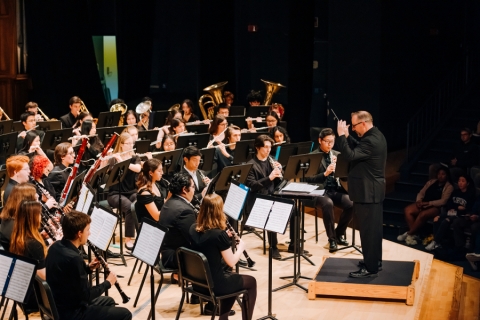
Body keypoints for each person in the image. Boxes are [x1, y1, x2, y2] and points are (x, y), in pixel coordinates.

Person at [46, 211, 132, 320]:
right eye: (88, 230)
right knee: (125, 314)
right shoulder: (74, 258)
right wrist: (108, 283)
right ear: (79, 233)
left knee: (109, 301)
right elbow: (86, 296)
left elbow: (69, 277)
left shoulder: (56, 246)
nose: (89, 233)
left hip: (60, 304)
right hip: (72, 313)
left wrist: (88, 268)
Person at [336, 110, 387, 278]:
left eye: (354, 125)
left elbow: (350, 155)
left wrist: (342, 136)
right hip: (372, 191)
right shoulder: (375, 135)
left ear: (363, 123)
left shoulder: (371, 140)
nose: (354, 129)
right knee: (373, 230)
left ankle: (370, 267)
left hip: (368, 193)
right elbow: (359, 148)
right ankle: (374, 261)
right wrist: (348, 135)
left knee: (368, 231)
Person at [190, 194, 257, 320]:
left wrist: (224, 238)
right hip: (214, 285)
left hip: (198, 284)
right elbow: (231, 262)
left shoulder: (193, 229)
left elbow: (208, 244)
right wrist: (241, 247)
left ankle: (223, 317)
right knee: (251, 282)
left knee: (232, 278)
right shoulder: (218, 235)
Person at [245, 135, 294, 259]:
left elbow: (279, 182)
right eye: (265, 147)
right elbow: (252, 186)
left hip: (272, 195)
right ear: (257, 147)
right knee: (272, 212)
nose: (268, 150)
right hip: (258, 199)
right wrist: (270, 178)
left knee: (294, 209)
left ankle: (294, 244)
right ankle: (273, 247)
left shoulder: (271, 160)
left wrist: (280, 171)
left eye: (270, 147)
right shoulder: (250, 165)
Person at [305, 128, 353, 252]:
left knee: (351, 204)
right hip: (319, 191)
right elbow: (309, 180)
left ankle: (338, 234)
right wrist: (325, 174)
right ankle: (331, 239)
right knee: (328, 204)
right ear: (320, 140)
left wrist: (339, 169)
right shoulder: (312, 156)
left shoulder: (336, 155)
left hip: (334, 190)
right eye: (327, 141)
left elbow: (344, 177)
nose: (330, 145)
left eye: (332, 142)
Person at [398, 167, 454, 245]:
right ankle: (414, 234)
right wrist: (419, 201)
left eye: (443, 174)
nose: (440, 176)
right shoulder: (431, 182)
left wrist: (428, 203)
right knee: (408, 210)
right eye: (439, 174)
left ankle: (409, 233)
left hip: (436, 207)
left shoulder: (449, 187)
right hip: (423, 203)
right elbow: (421, 192)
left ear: (447, 175)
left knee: (422, 214)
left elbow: (443, 201)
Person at [106, 132, 143, 249]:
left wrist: (122, 160)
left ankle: (142, 236)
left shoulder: (135, 158)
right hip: (115, 193)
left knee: (141, 201)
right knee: (129, 207)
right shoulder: (114, 158)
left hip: (131, 191)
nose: (131, 146)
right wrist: (107, 158)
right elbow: (106, 174)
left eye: (132, 143)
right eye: (128, 144)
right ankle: (128, 239)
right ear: (121, 145)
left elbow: (137, 169)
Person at [10, 200, 48, 310]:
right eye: (39, 214)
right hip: (36, 298)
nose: (41, 217)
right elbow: (44, 277)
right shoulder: (34, 244)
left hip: (23, 293)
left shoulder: (18, 237)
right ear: (33, 218)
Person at [426, 174, 476, 251]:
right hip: (451, 212)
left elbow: (467, 209)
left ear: (468, 183)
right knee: (436, 219)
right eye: (459, 181)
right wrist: (457, 207)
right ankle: (438, 243)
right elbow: (449, 204)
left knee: (446, 221)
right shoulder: (455, 192)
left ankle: (435, 242)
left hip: (461, 215)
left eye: (463, 181)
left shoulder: (471, 194)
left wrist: (458, 209)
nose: (460, 183)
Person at [159, 172, 197, 269]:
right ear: (184, 189)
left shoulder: (170, 202)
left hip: (167, 253)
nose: (194, 190)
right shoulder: (185, 211)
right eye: (193, 187)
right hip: (177, 257)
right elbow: (193, 239)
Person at [0, 183, 38, 251]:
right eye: (35, 200)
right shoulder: (16, 226)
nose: (38, 204)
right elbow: (29, 249)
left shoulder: (10, 218)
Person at [135, 158, 167, 224]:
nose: (162, 173)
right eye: (159, 171)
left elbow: (162, 202)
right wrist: (172, 210)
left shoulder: (156, 184)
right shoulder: (145, 193)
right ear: (151, 173)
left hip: (160, 222)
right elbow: (157, 217)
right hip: (151, 226)